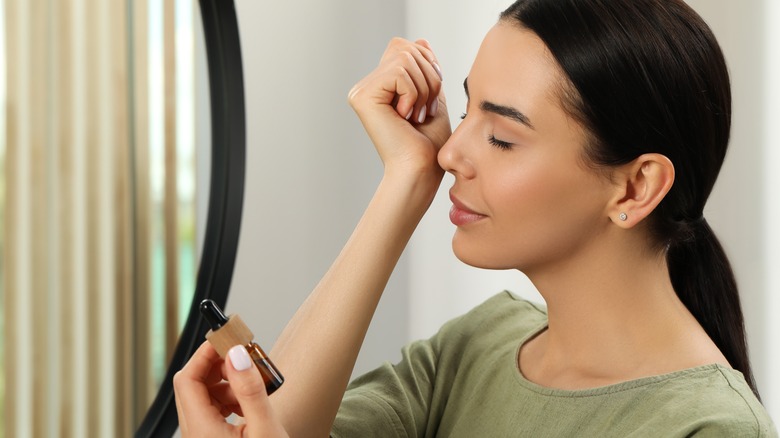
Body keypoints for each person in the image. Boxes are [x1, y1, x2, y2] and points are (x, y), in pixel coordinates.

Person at [174, 0, 778, 436]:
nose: (449, 152)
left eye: (503, 137)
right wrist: (404, 184)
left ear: (635, 186)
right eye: (465, 111)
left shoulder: (705, 426)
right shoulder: (478, 347)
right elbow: (278, 429)